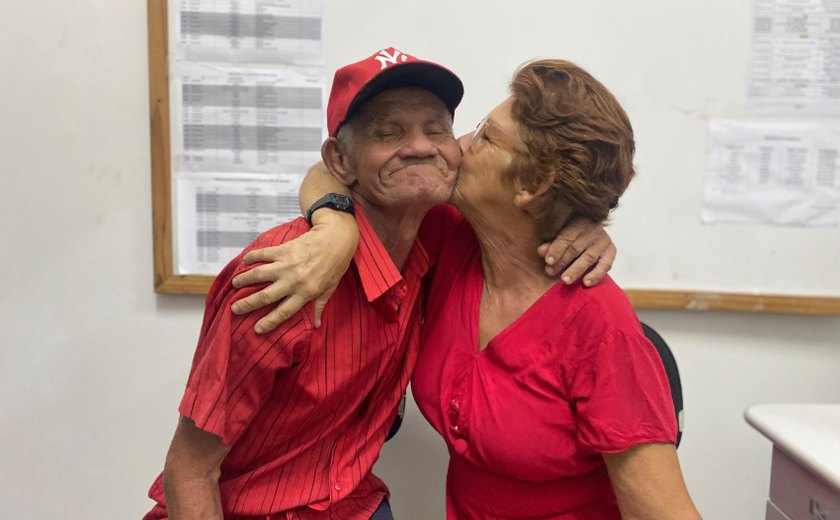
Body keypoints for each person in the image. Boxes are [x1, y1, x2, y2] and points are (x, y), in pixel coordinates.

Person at [143, 48, 612, 520]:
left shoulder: (441, 237)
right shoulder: (287, 275)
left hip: (353, 501)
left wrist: (587, 226)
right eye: (387, 133)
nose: (420, 147)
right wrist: (334, 227)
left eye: (437, 129)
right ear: (341, 161)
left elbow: (528, 218)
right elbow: (189, 468)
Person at [232, 59, 701, 519]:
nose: (457, 145)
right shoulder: (450, 237)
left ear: (534, 185)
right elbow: (334, 169)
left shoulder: (599, 325)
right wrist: (334, 223)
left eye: (484, 136)